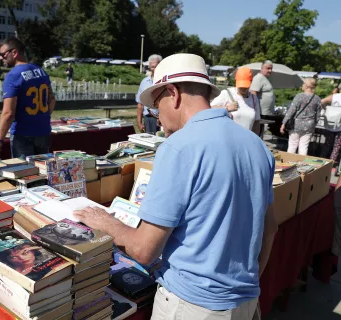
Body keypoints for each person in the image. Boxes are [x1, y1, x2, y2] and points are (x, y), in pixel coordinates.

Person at [74, 53, 277, 320]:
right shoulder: (256, 145)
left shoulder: (179, 147)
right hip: (246, 300)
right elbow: (270, 227)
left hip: (192, 304)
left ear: (173, 93)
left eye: (157, 106)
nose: (157, 118)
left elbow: (144, 251)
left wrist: (105, 222)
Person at [0, 37, 56, 159]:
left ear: (14, 53)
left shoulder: (13, 76)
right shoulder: (41, 71)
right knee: (43, 172)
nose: (0, 58)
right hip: (44, 131)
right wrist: (43, 117)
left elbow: (8, 113)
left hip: (23, 134)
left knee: (26, 175)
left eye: (3, 55)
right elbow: (51, 100)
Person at [211, 67, 261, 135]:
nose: (243, 88)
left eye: (245, 86)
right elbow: (209, 109)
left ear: (251, 82)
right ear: (235, 81)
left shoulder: (254, 99)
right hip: (228, 139)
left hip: (246, 139)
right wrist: (226, 108)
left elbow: (257, 122)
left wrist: (256, 140)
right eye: (241, 85)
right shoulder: (227, 94)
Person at [280, 78, 322, 156]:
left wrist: (284, 123)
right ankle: (301, 165)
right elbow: (318, 115)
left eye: (303, 84)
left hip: (297, 124)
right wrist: (313, 124)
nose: (302, 85)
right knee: (304, 146)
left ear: (306, 86)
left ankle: (288, 163)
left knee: (292, 145)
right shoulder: (317, 99)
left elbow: (291, 111)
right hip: (309, 125)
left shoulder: (299, 96)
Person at [136, 54, 162, 134]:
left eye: (156, 66)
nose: (154, 69)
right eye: (152, 67)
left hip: (163, 118)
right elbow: (140, 104)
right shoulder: (144, 82)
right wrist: (139, 122)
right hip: (148, 119)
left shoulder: (165, 81)